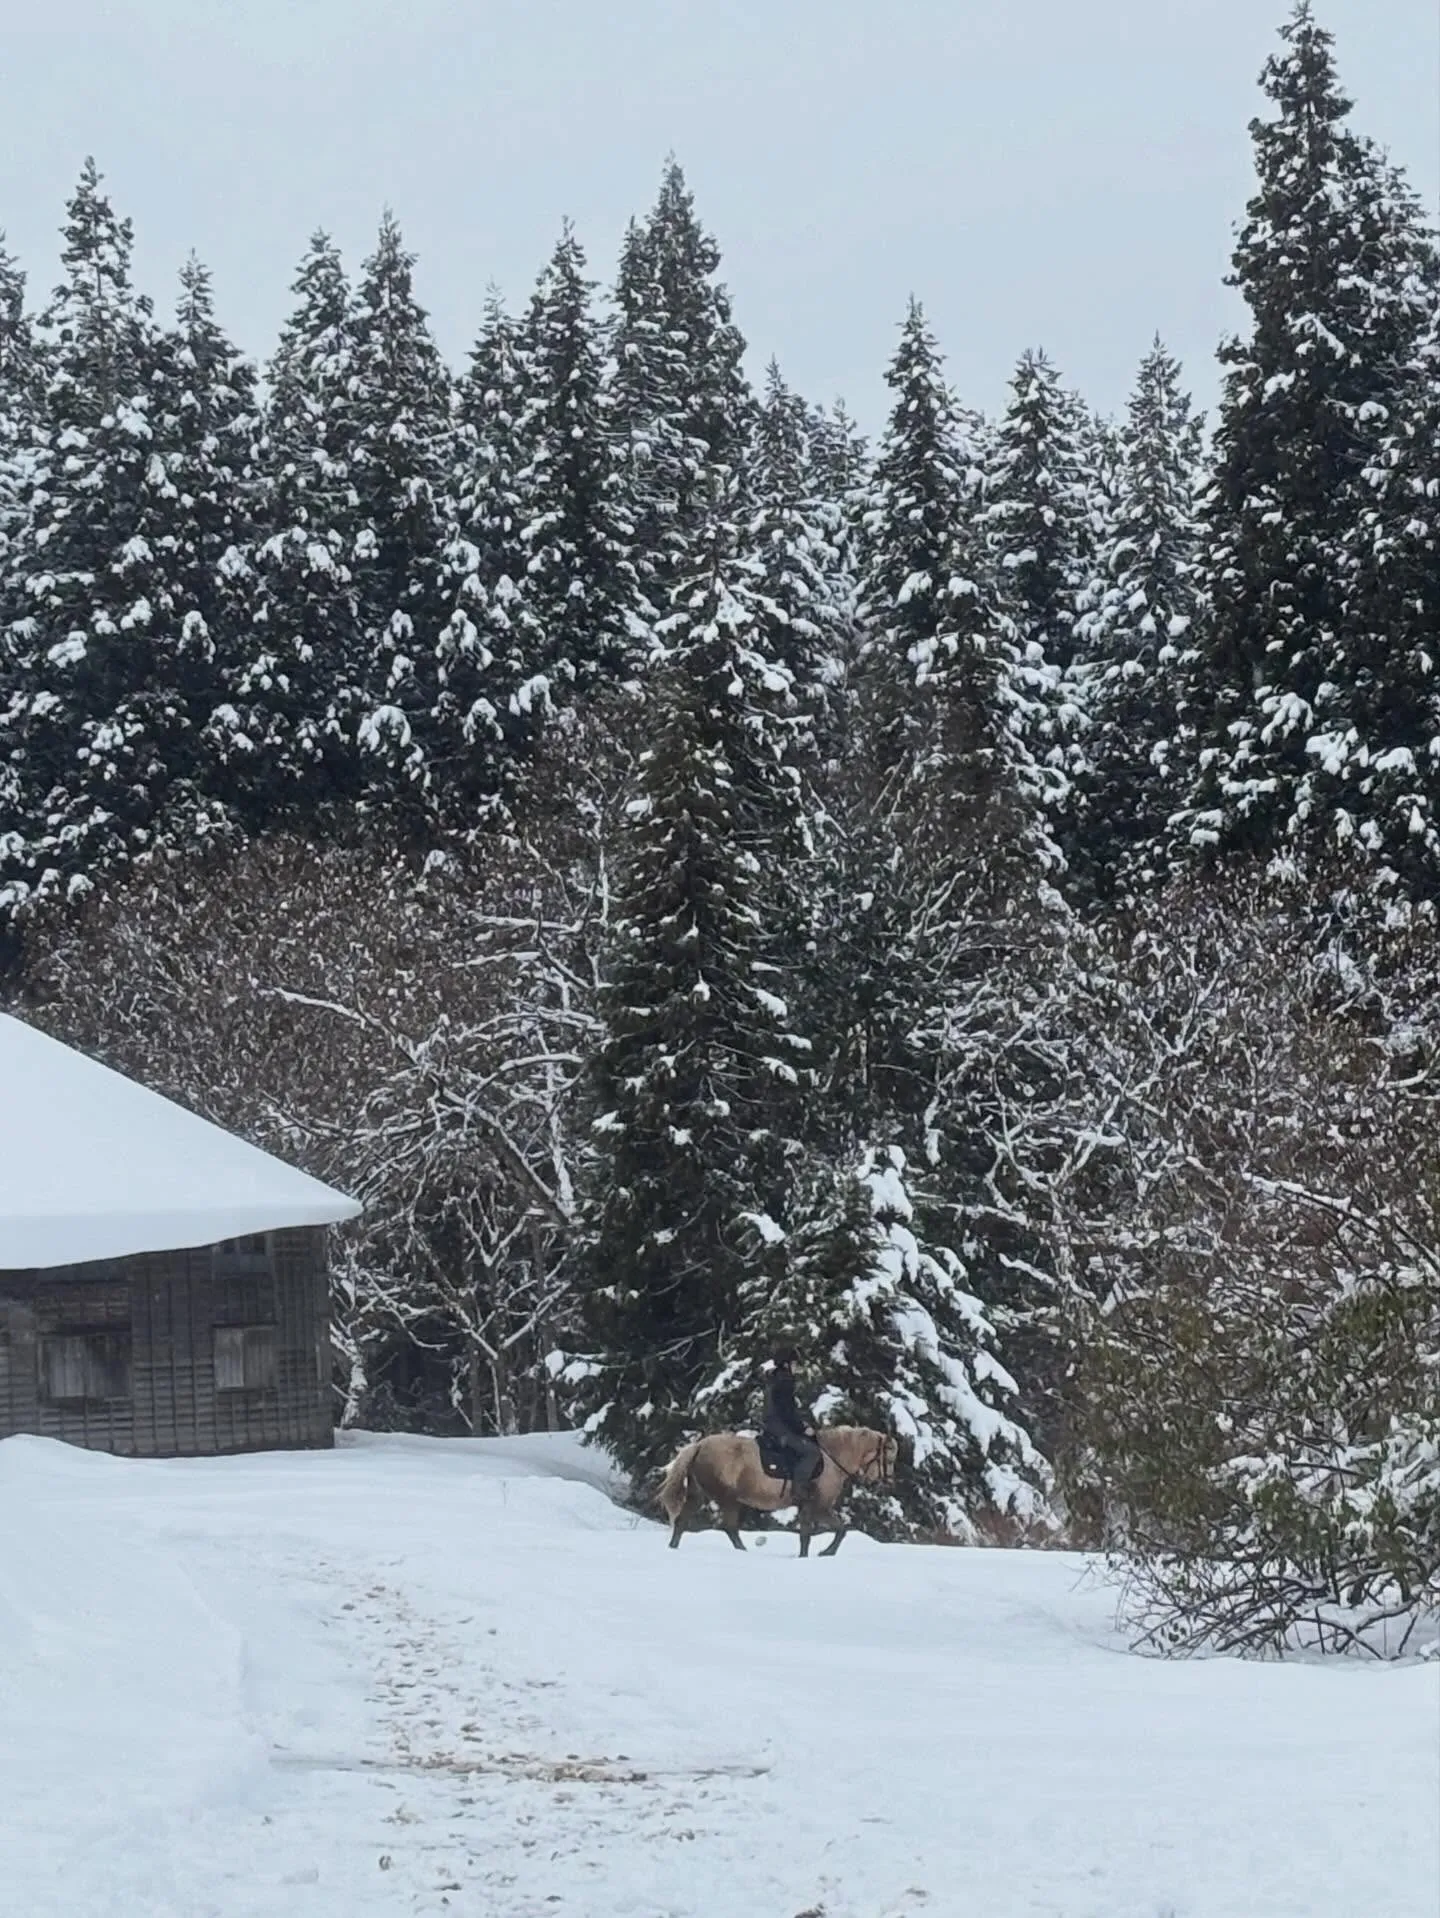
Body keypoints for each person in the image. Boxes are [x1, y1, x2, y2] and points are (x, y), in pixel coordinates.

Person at [761, 1344, 823, 1496]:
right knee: (812, 1452)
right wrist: (803, 1428)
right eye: (794, 1364)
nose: (796, 1367)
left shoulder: (776, 1378)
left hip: (773, 1423)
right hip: (779, 1426)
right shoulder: (785, 1381)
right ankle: (799, 1489)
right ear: (786, 1364)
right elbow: (786, 1412)